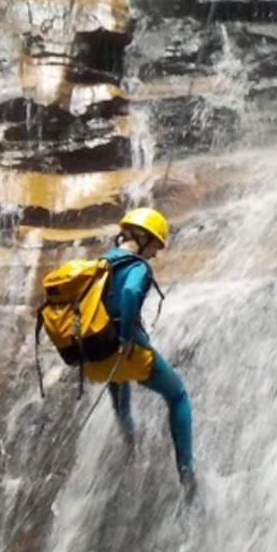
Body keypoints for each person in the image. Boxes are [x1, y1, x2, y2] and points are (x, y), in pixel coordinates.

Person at [102, 207, 196, 496]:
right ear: (142, 238)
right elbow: (130, 293)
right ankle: (186, 470)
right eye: (155, 244)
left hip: (98, 354)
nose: (155, 253)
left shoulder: (102, 262)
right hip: (130, 352)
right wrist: (128, 336)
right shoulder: (138, 266)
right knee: (178, 395)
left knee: (120, 389)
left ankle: (129, 440)